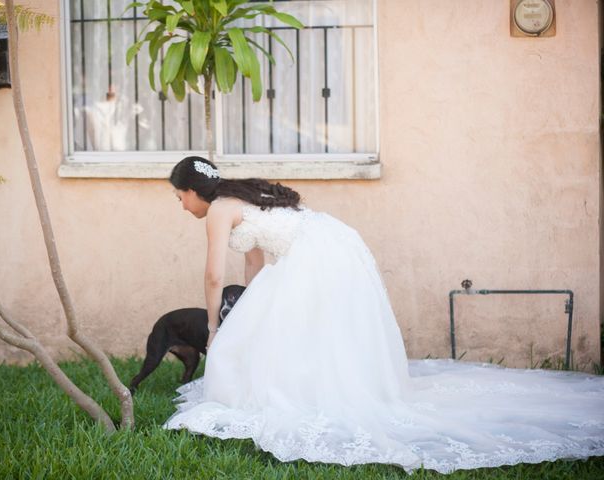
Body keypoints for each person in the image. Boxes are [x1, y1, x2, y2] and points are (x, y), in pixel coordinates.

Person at [163, 156, 604, 473]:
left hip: (315, 254)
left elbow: (213, 275)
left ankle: (307, 393)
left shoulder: (219, 209)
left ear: (191, 191)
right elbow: (254, 264)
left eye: (179, 197)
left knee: (297, 323)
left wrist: (215, 326)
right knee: (294, 322)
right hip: (331, 241)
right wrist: (250, 316)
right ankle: (310, 384)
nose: (181, 207)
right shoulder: (239, 198)